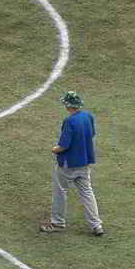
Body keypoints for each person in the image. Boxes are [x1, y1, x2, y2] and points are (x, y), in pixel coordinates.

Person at [40, 91, 104, 236]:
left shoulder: (69, 121)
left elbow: (64, 145)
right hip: (85, 162)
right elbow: (91, 134)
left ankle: (57, 223)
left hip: (67, 165)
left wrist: (54, 149)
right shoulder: (89, 116)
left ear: (68, 106)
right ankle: (96, 225)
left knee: (60, 191)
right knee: (87, 192)